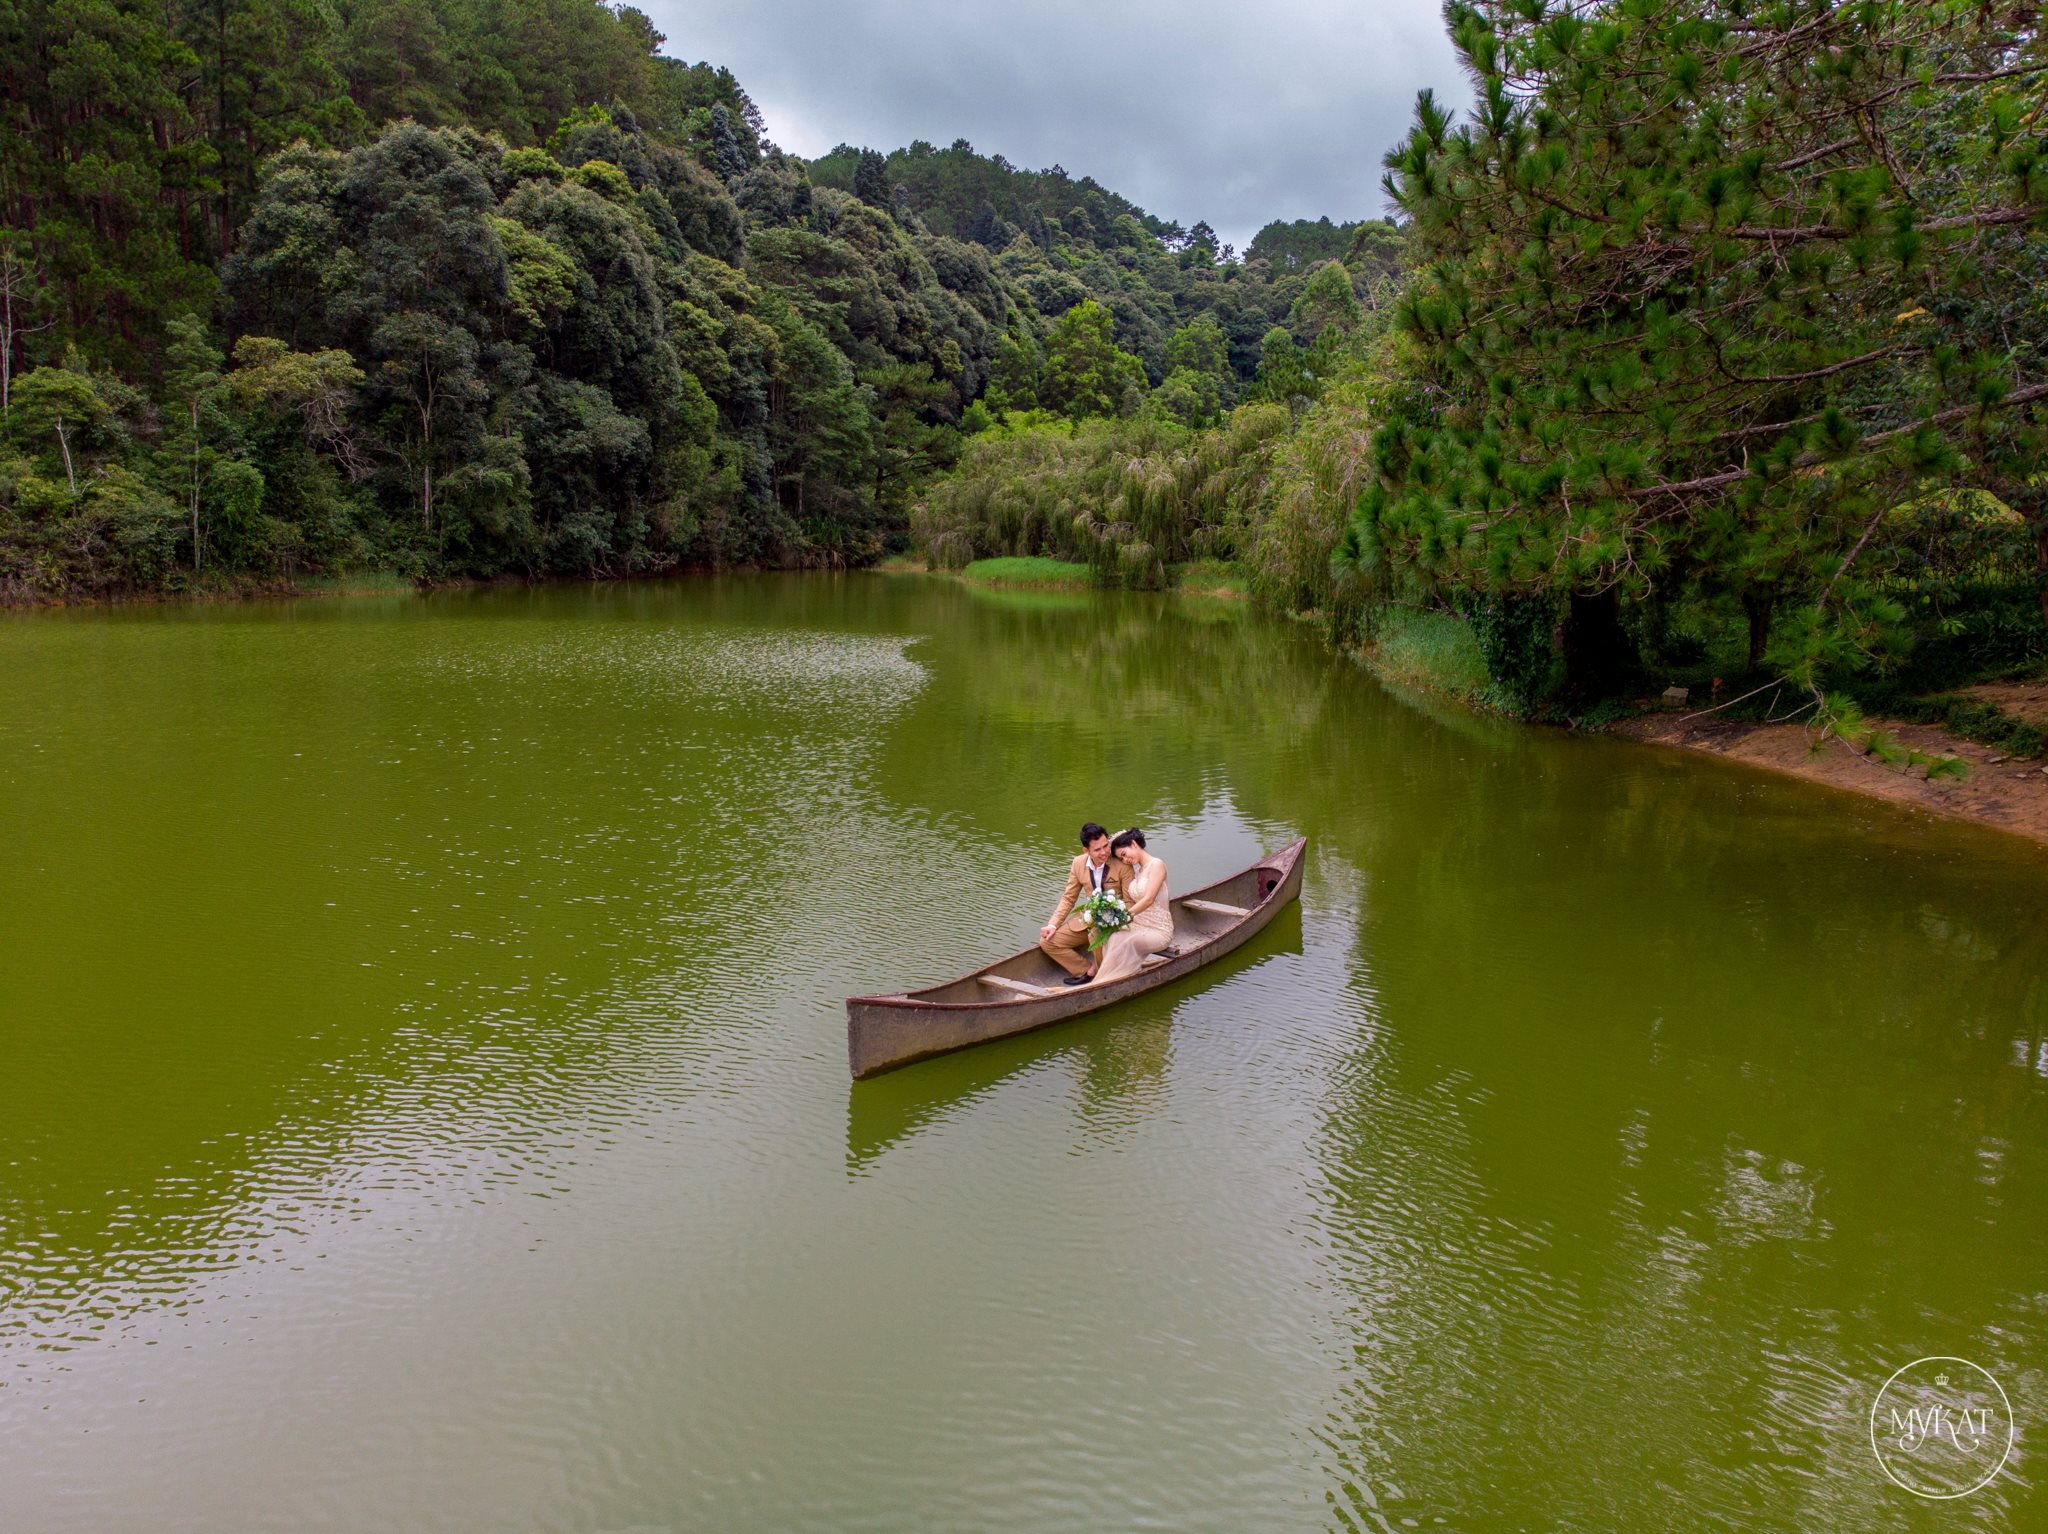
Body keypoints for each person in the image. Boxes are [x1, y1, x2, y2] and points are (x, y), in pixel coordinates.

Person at [1040, 821, 1133, 985]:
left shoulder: (1121, 864)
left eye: (1106, 846)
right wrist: (1052, 925)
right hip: (1088, 918)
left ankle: (1106, 974)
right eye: (1097, 849)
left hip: (1117, 921)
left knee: (1095, 934)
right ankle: (1087, 970)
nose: (1104, 852)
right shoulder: (1078, 863)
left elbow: (1129, 902)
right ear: (1086, 850)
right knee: (1048, 943)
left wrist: (1118, 920)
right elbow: (1069, 898)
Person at [1087, 828, 1173, 986]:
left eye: (1124, 854)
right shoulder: (1138, 871)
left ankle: (1107, 980)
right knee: (1108, 933)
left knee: (1123, 939)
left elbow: (1148, 899)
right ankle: (1109, 976)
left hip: (1159, 929)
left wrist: (1123, 917)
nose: (1125, 860)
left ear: (1134, 844)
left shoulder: (1157, 865)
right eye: (1121, 858)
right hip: (1139, 922)